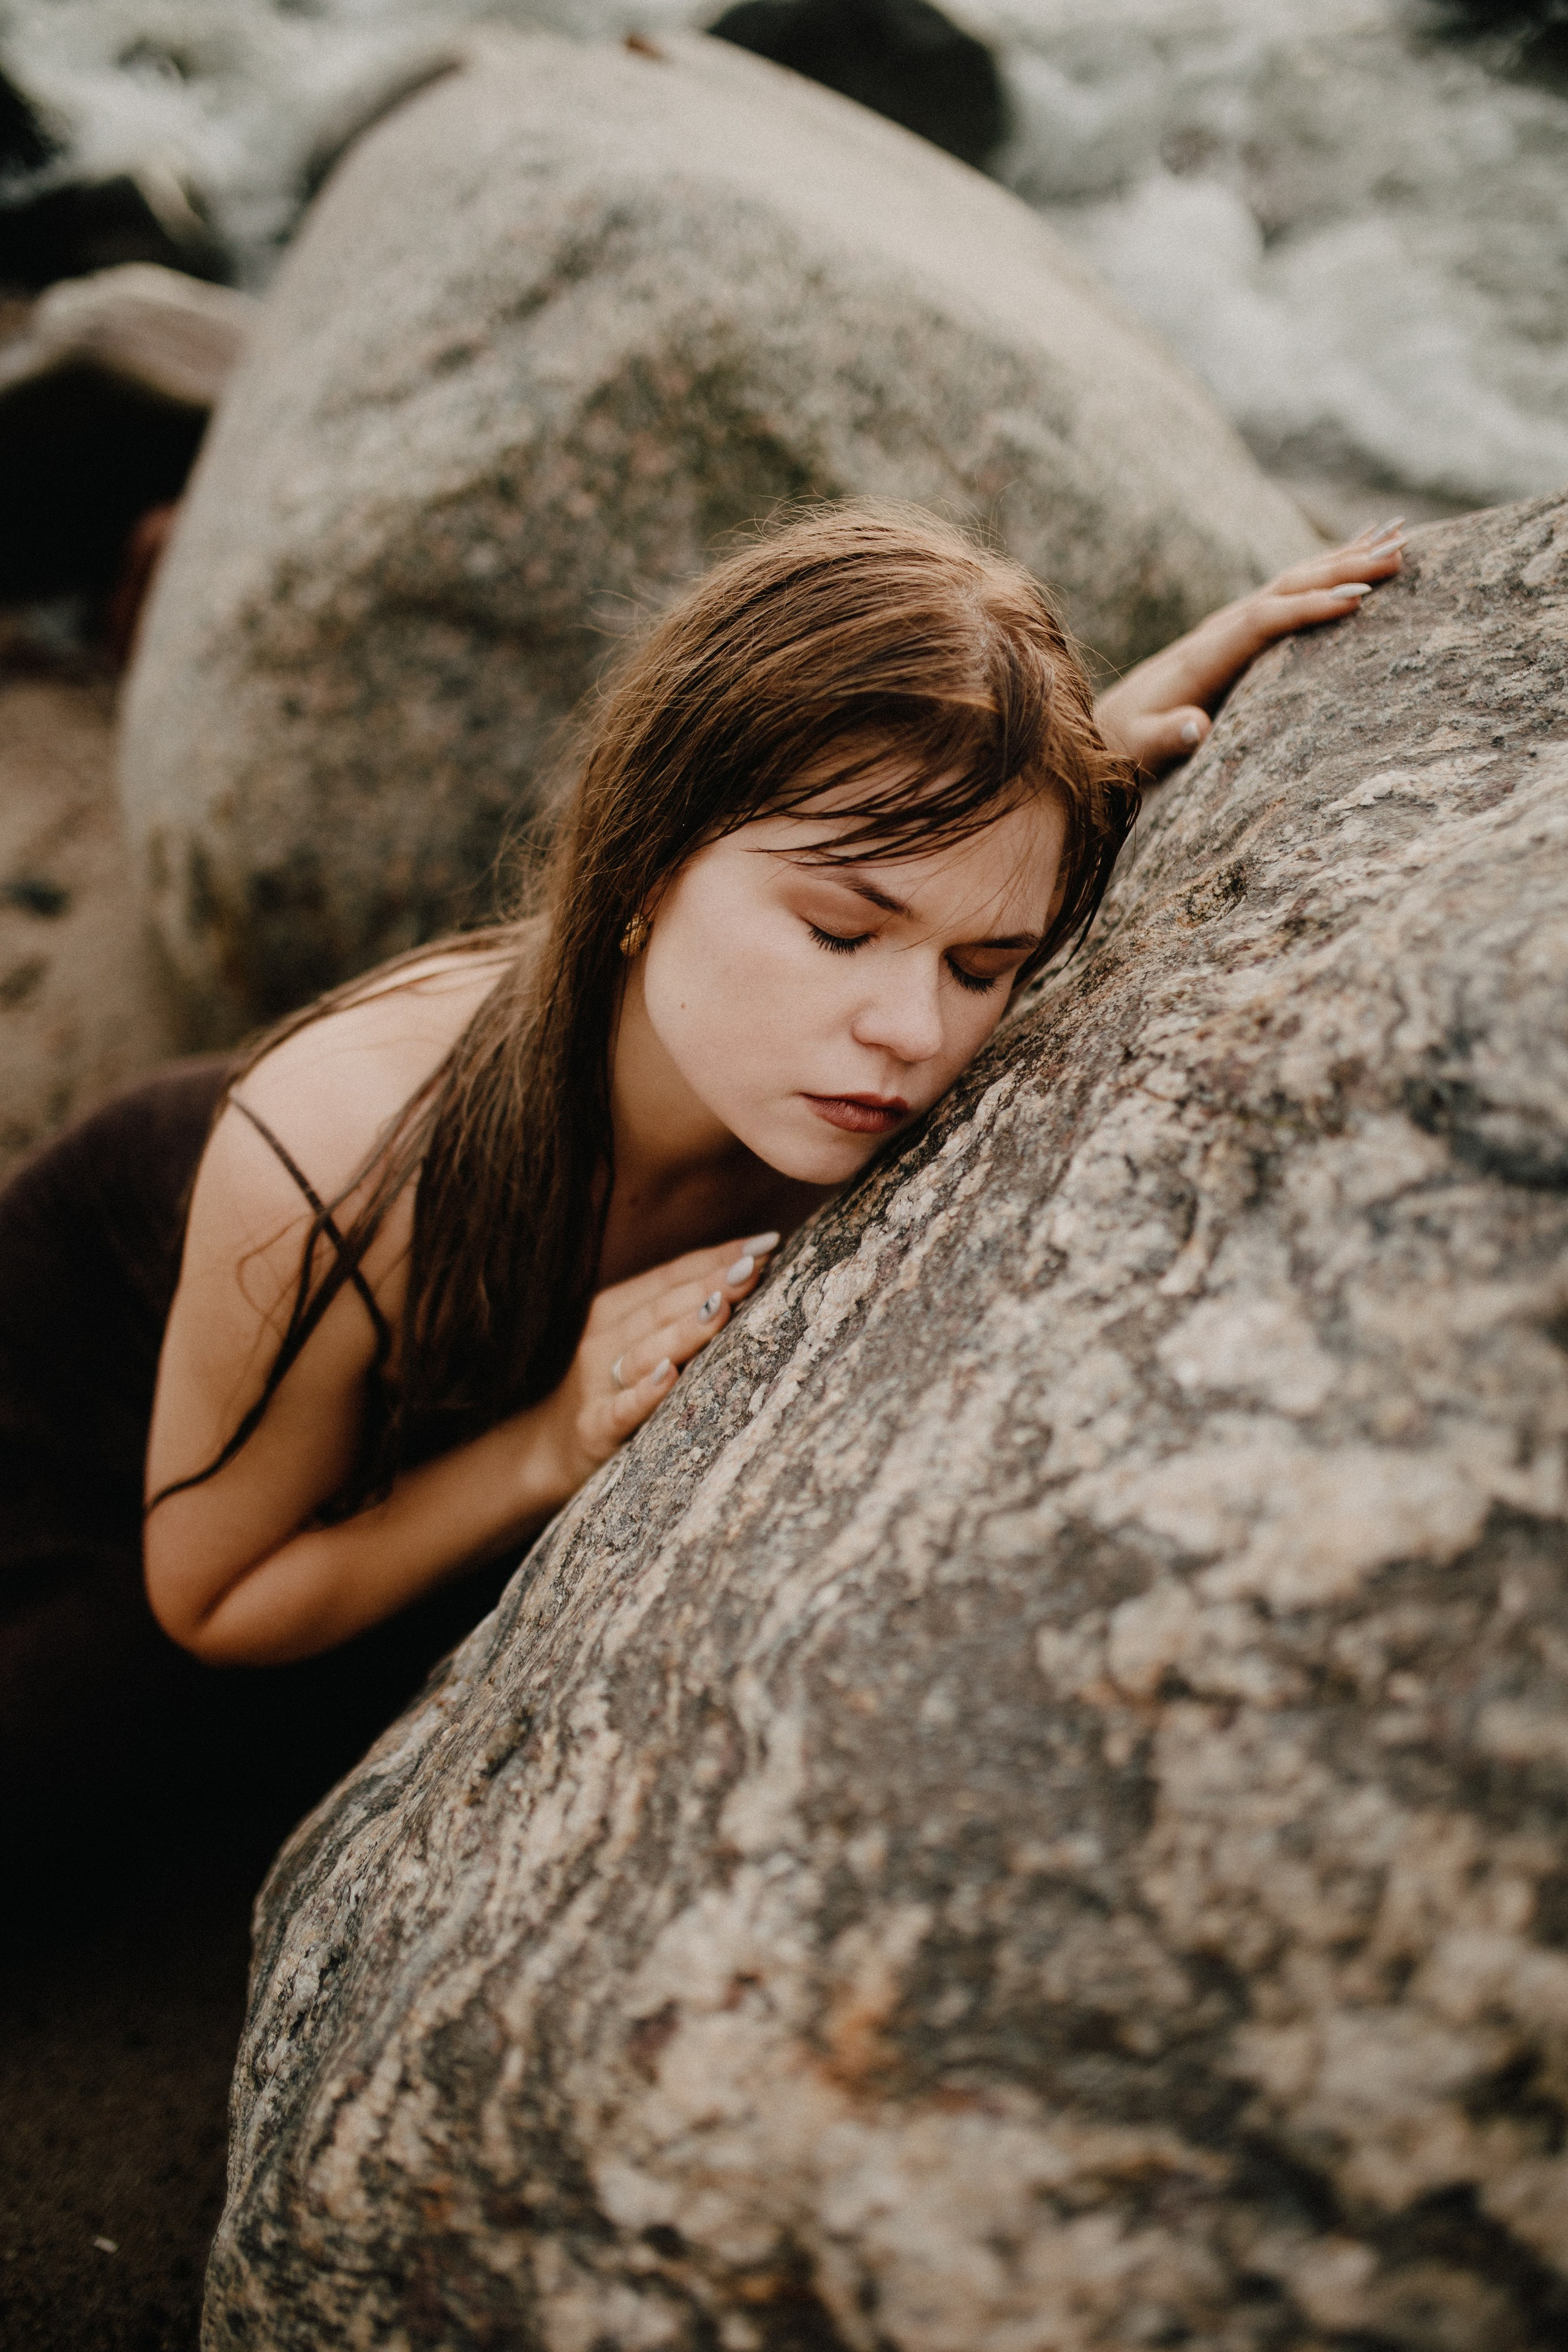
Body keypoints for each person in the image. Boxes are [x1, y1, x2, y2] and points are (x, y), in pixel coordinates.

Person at [0, 502, 1404, 1862]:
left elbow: (938, 873)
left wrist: (1079, 760)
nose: (911, 1033)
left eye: (986, 966)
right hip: (110, 1367)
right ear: (645, 862)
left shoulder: (854, 997)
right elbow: (218, 1596)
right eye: (840, 933)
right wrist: (547, 1448)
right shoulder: (336, 1154)